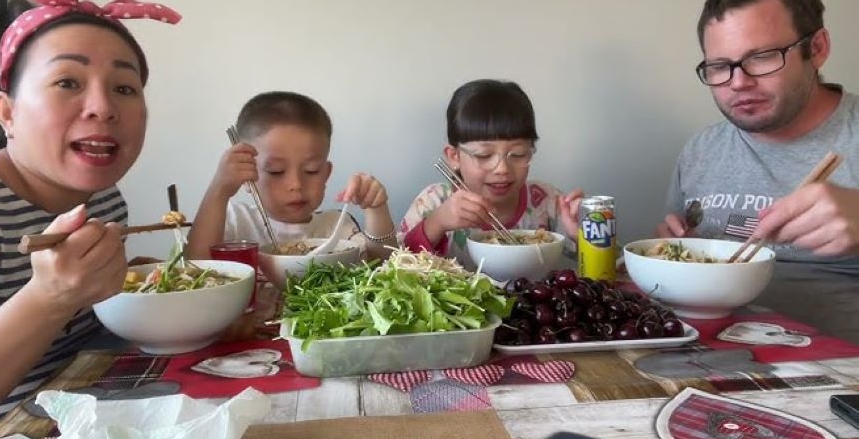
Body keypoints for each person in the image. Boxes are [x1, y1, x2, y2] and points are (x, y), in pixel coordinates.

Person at [0, 0, 179, 439]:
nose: (102, 106)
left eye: (124, 88)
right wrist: (47, 297)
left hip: (91, 418)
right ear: (7, 113)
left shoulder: (103, 197)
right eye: (67, 82)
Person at [657, 0, 859, 337]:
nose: (738, 82)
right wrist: (674, 250)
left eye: (762, 57)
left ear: (816, 49)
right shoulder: (701, 150)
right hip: (702, 358)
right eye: (719, 66)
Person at [186, 91, 398, 262]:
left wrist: (376, 209)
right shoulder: (236, 222)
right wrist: (219, 190)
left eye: (311, 170)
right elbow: (196, 265)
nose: (296, 185)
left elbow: (382, 263)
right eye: (276, 171)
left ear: (326, 174)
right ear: (247, 177)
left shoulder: (335, 226)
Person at [401, 79, 582, 268]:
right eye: (484, 155)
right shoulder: (434, 201)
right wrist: (437, 223)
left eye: (518, 154)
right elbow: (398, 265)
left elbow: (612, 269)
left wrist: (585, 236)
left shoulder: (547, 201)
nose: (502, 168)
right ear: (454, 156)